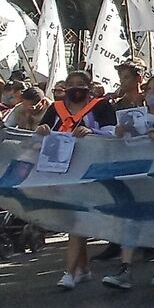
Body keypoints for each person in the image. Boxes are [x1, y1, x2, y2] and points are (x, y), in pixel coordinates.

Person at [40, 71, 117, 290]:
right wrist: (42, 130)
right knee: (74, 219)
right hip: (60, 169)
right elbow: (42, 132)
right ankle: (83, 268)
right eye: (71, 84)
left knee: (76, 219)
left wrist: (91, 132)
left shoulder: (101, 106)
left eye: (80, 84)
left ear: (89, 87)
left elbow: (112, 135)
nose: (75, 88)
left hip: (88, 170)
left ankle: (69, 272)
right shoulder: (55, 108)